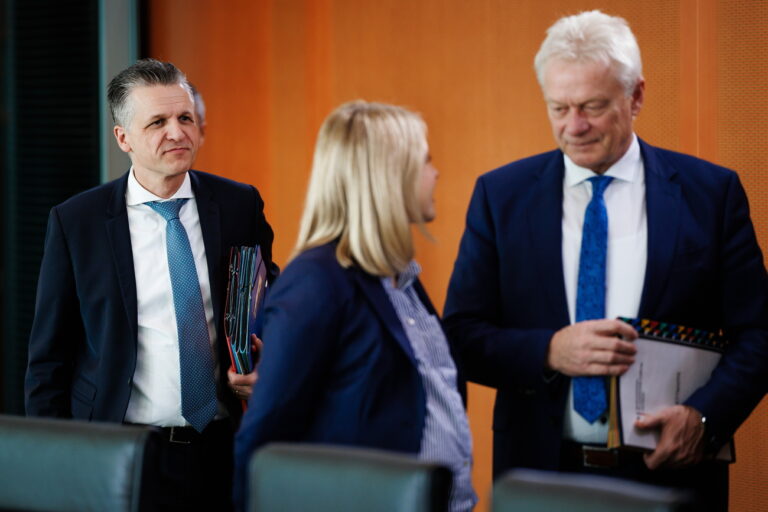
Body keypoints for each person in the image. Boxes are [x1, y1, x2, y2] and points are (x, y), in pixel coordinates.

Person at [443, 10, 768, 510]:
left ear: (636, 96)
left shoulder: (710, 194)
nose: (574, 127)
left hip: (670, 476)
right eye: (559, 108)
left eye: (593, 106)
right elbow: (461, 336)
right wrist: (549, 351)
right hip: (539, 476)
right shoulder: (500, 196)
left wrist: (704, 418)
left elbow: (759, 333)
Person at [25, 58, 277, 511]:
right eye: (158, 122)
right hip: (118, 452)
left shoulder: (239, 205)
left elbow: (269, 304)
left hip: (221, 446)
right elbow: (48, 359)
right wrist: (52, 465)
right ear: (123, 138)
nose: (177, 133)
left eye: (185, 118)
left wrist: (265, 361)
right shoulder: (77, 222)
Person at [233, 101, 477, 512]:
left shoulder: (400, 277)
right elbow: (263, 440)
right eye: (425, 161)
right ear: (388, 175)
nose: (435, 173)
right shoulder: (316, 281)